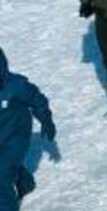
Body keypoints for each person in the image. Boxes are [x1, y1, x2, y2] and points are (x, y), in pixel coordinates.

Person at [0, 48, 56, 209]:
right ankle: (25, 183)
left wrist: (46, 120)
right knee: (6, 166)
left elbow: (37, 100)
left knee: (1, 176)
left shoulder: (16, 85)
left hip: (16, 137)